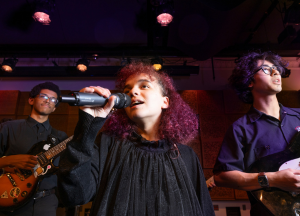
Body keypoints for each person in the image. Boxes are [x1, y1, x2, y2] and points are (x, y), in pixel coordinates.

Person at [57, 62, 215, 216]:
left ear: (164, 102)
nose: (132, 92)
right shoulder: (107, 143)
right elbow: (74, 195)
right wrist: (87, 127)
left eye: (144, 86)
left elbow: (204, 208)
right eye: (127, 90)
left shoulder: (186, 155)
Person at [213, 51, 300, 215]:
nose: (276, 72)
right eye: (266, 69)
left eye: (276, 68)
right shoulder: (240, 128)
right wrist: (273, 179)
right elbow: (222, 177)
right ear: (249, 81)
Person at [0, 82, 68, 216]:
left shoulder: (61, 137)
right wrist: (8, 160)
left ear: (54, 108)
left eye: (53, 99)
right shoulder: (8, 128)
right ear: (31, 100)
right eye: (43, 96)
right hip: (10, 200)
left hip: (47, 203)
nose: (48, 100)